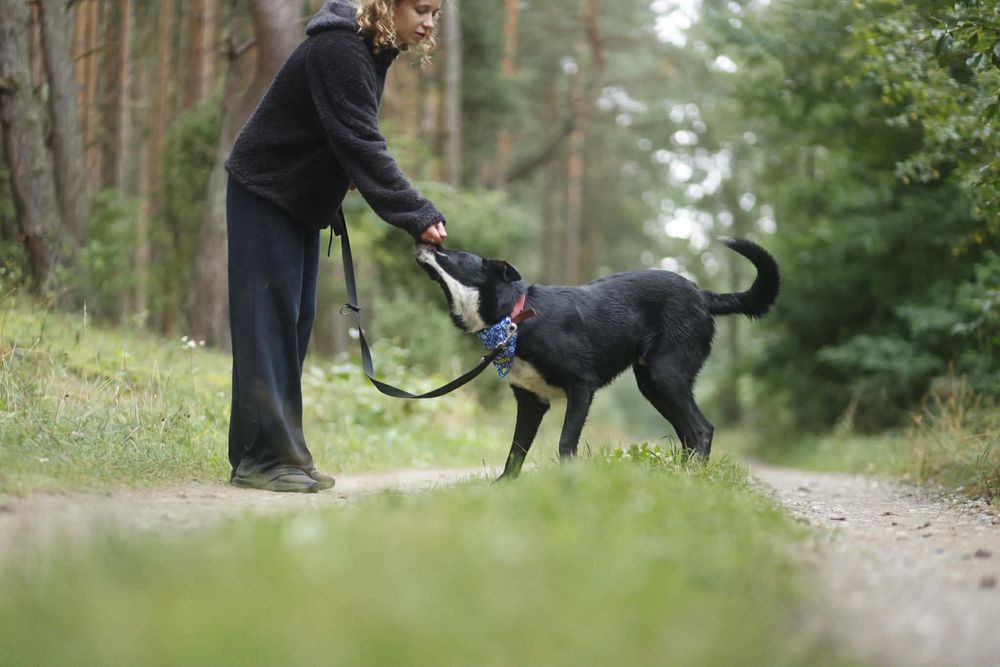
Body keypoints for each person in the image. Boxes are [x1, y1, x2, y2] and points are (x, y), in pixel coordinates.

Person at [224, 0, 447, 493]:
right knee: (269, 324)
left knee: (294, 325)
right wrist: (417, 213)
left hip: (296, 199)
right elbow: (362, 142)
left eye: (436, 11)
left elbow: (340, 135)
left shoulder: (373, 49)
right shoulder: (342, 48)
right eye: (421, 8)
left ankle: (273, 454)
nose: (430, 21)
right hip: (265, 188)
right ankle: (264, 459)